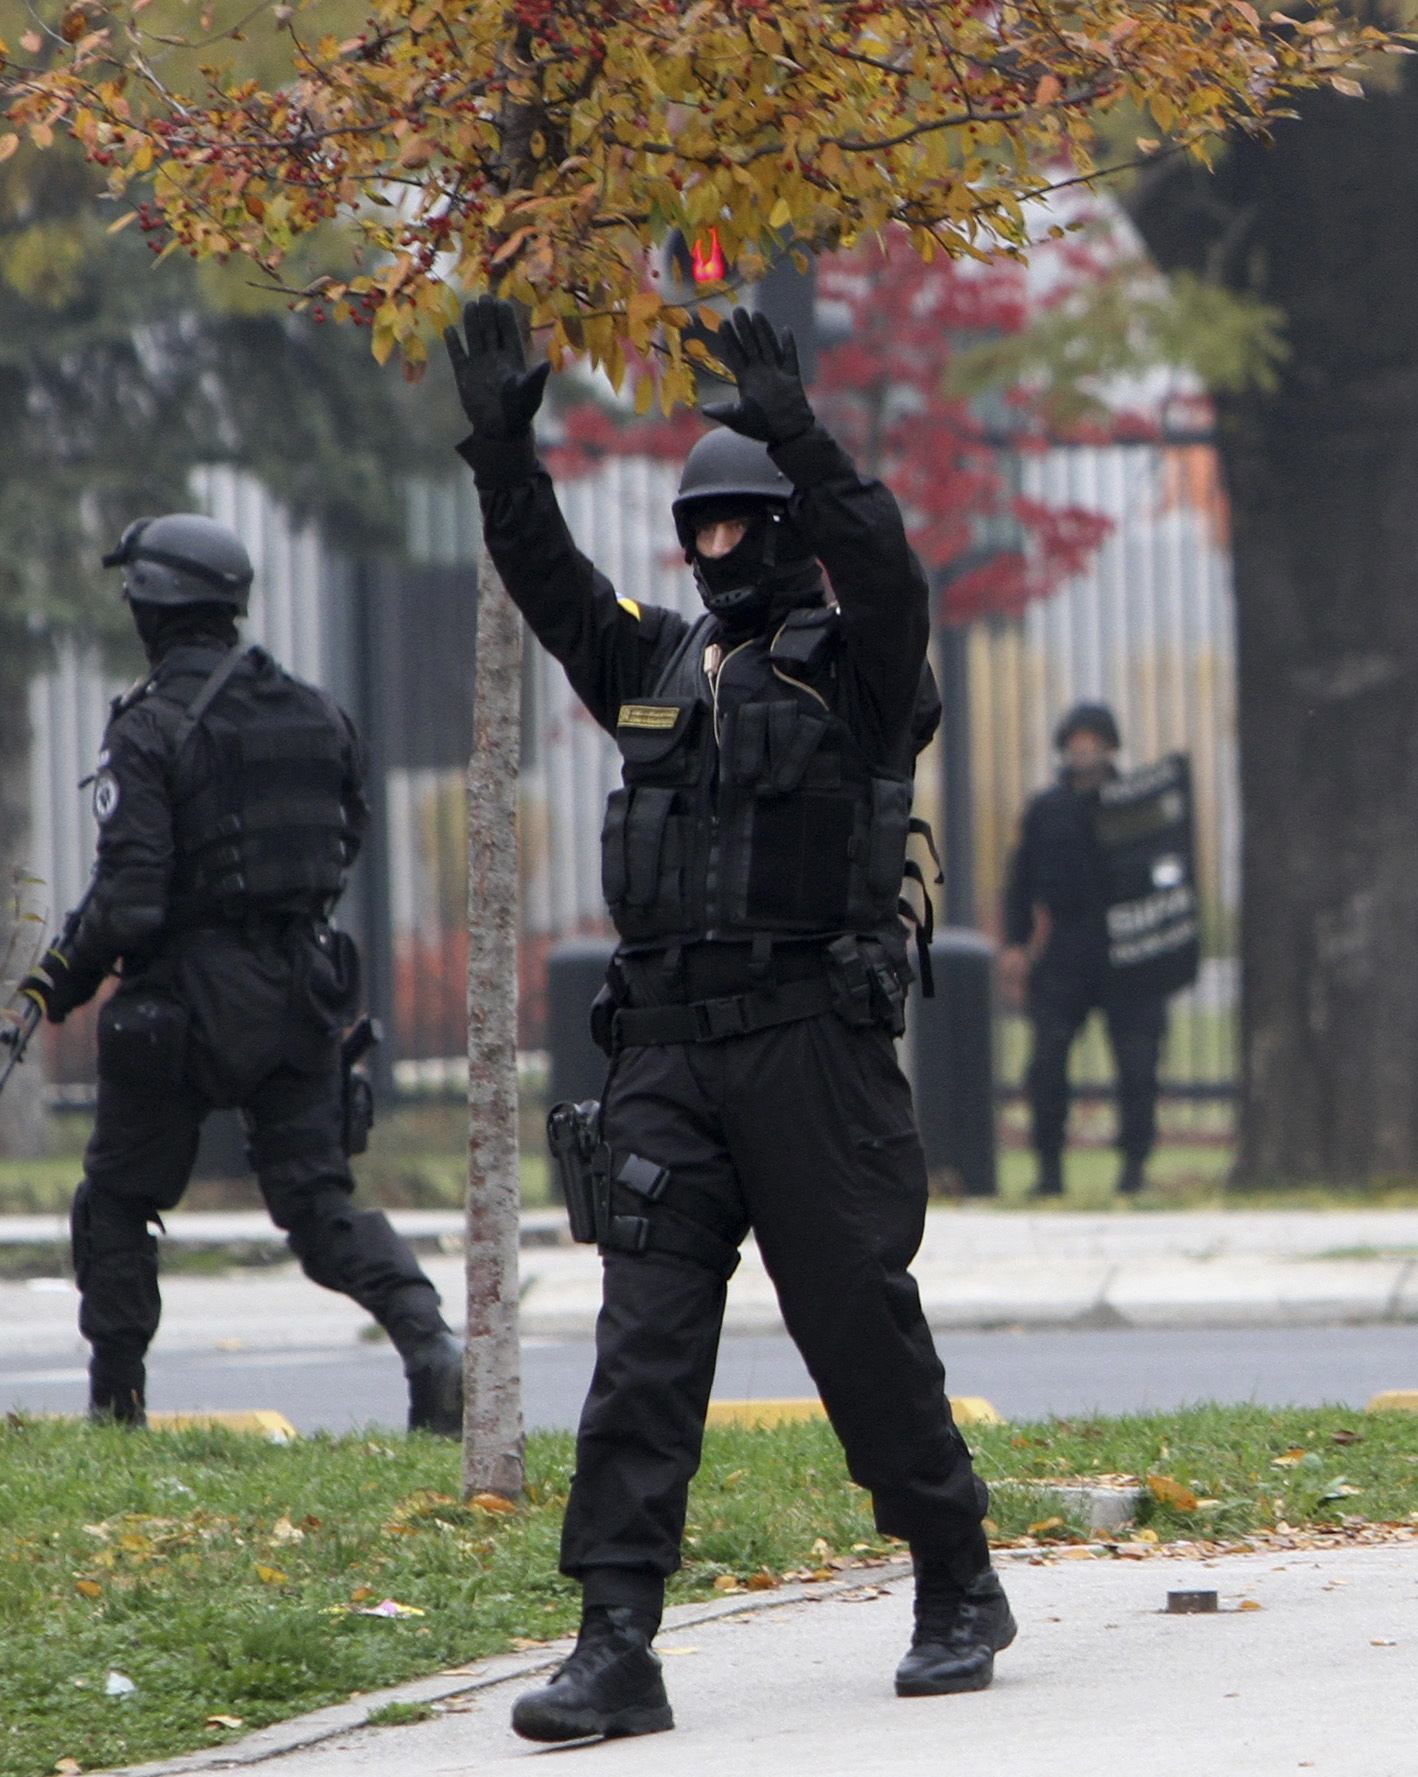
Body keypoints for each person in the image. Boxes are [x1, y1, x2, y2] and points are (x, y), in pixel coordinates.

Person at [441, 297, 1007, 1737]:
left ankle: (955, 1576)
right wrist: (504, 457)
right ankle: (616, 1639)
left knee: (857, 1328)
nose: (714, 547)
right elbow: (554, 587)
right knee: (642, 1348)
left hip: (811, 1050)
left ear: (785, 527)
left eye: (739, 522)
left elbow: (886, 565)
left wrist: (801, 435)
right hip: (667, 1057)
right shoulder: (659, 660)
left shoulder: (862, 664)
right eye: (698, 528)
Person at [17, 516, 460, 1435]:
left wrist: (56, 981)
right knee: (318, 1203)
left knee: (117, 1201)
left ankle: (117, 1408)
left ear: (150, 606)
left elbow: (129, 900)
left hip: (183, 1003)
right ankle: (431, 1345)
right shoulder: (316, 711)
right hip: (301, 991)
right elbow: (347, 838)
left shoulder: (149, 727)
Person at [1002, 704, 1168, 1199]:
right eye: (1076, 738)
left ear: (1110, 745)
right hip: (1067, 946)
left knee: (1138, 1063)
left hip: (1130, 944)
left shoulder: (1138, 803)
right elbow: (1021, 880)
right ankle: (1049, 1172)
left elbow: (1166, 872)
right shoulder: (1046, 809)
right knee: (1047, 1061)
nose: (1084, 747)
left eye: (1093, 738)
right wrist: (1015, 942)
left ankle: (1134, 1170)